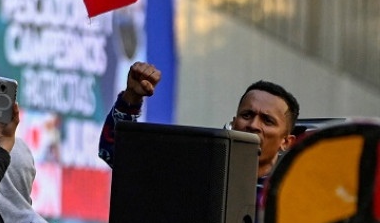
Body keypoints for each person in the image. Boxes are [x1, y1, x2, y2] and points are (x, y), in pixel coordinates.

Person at [98, 60, 299, 179]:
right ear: (234, 121)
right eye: (247, 115)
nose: (253, 125)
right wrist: (132, 97)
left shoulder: (292, 197)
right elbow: (117, 154)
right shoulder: (199, 174)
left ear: (286, 142)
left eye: (268, 121)